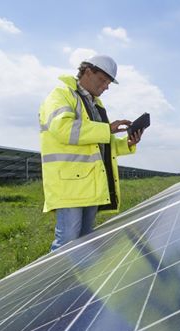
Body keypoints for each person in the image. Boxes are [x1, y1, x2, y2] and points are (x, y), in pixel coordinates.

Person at [38, 54, 144, 251]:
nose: (105, 87)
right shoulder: (61, 95)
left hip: (91, 183)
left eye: (108, 83)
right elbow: (63, 129)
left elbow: (100, 145)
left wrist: (128, 143)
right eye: (102, 80)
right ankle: (60, 281)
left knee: (86, 241)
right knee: (67, 242)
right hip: (69, 183)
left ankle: (79, 281)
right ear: (87, 71)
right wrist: (107, 129)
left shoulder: (96, 105)